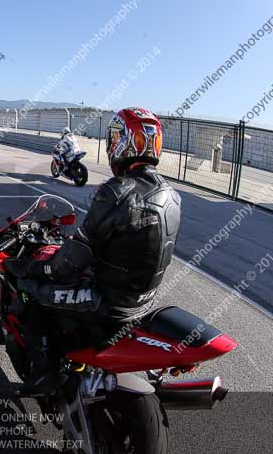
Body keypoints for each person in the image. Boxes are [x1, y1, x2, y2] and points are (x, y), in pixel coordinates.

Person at [13, 107, 181, 394]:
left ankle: (44, 374)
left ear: (124, 142)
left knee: (30, 289)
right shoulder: (172, 194)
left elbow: (73, 258)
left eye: (115, 137)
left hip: (107, 302)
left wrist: (37, 268)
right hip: (142, 301)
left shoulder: (117, 191)